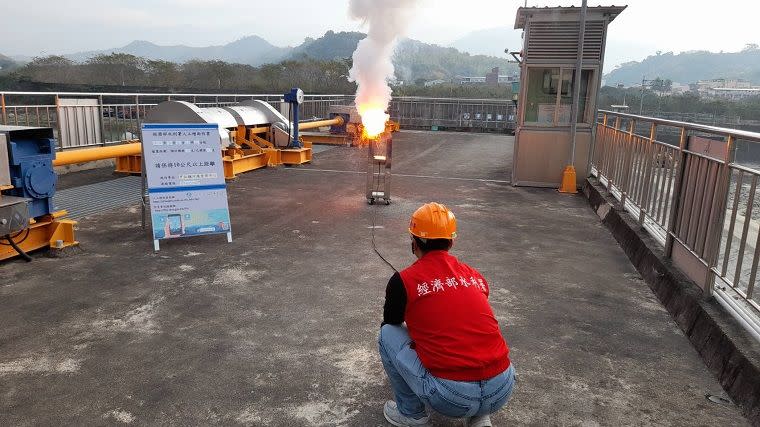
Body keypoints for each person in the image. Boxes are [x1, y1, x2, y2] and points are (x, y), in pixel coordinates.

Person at [379, 202, 515, 427]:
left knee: (387, 334)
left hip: (452, 398)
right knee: (478, 334)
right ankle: (480, 417)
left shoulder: (404, 281)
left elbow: (392, 322)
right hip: (501, 389)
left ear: (414, 242)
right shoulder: (474, 276)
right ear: (451, 242)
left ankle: (411, 414)